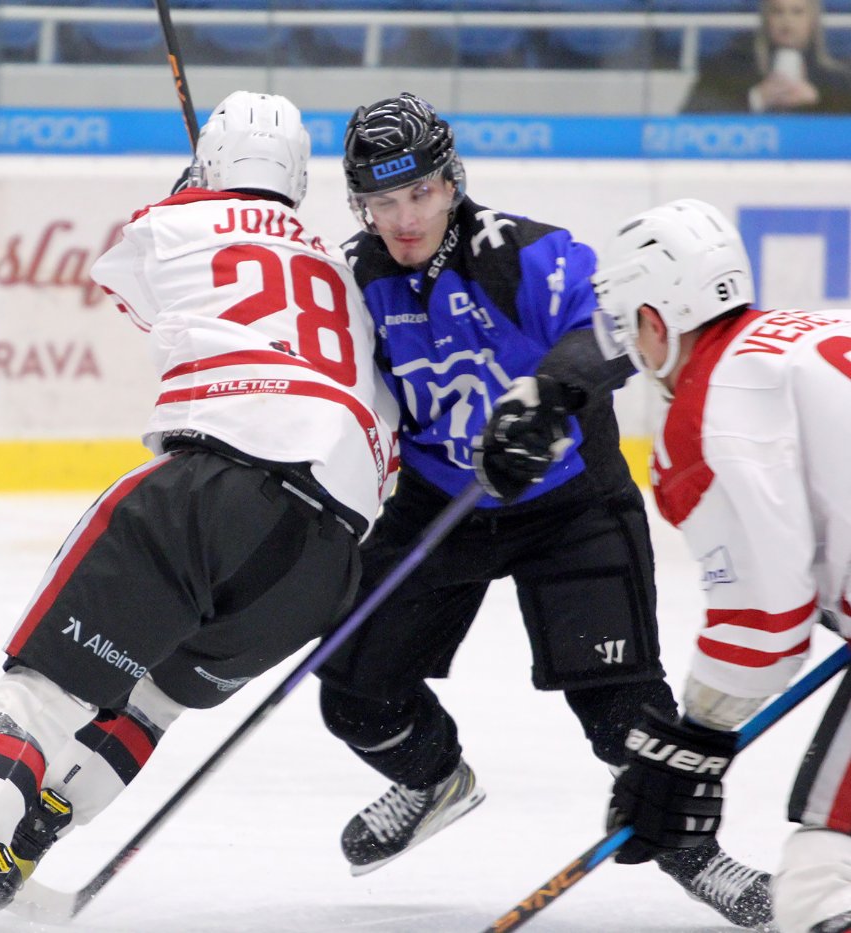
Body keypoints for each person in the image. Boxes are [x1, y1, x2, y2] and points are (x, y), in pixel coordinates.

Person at [0, 90, 397, 933]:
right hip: (326, 561)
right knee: (153, 701)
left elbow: (133, 290)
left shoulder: (175, 222)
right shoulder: (346, 276)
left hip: (215, 490)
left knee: (45, 686)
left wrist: (186, 196)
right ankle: (26, 845)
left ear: (208, 162)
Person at [315, 91, 774, 928]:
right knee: (353, 688)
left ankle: (697, 855)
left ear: (452, 182)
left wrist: (549, 395)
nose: (404, 219)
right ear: (360, 205)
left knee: (625, 717)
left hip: (570, 507)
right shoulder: (355, 277)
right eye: (382, 201)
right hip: (440, 504)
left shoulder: (523, 253)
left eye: (419, 192)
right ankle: (432, 779)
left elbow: (616, 325)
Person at [596, 198, 851, 933]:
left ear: (657, 318)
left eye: (631, 324)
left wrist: (690, 747)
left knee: (822, 880)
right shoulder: (815, 331)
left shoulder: (708, 409)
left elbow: (765, 621)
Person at [682, 0, 851, 114]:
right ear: (766, 18)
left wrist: (817, 101)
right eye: (778, 12)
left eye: (797, 12)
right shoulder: (729, 67)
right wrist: (756, 99)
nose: (787, 22)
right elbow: (693, 116)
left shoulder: (836, 79)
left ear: (812, 19)